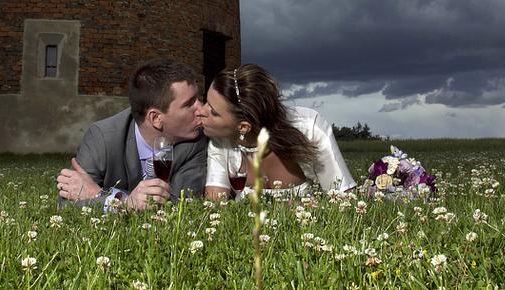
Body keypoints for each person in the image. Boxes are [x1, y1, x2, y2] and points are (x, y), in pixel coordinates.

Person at [57, 59, 207, 210]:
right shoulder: (102, 138)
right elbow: (67, 203)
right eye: (189, 104)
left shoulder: (195, 141)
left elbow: (184, 205)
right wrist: (127, 202)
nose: (202, 109)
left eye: (198, 99)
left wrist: (110, 197)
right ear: (155, 118)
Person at [200, 63, 356, 199]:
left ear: (243, 127)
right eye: (206, 101)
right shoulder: (220, 141)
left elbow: (344, 198)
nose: (201, 111)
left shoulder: (309, 127)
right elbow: (214, 205)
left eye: (213, 111)